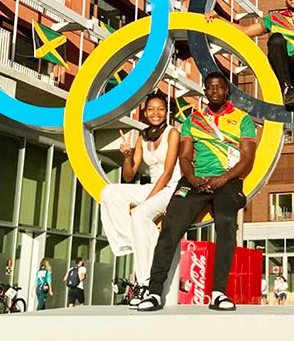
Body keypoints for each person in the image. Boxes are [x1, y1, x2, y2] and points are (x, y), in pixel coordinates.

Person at [137, 72, 256, 312]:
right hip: (195, 180)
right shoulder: (193, 120)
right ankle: (153, 292)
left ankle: (218, 293)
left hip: (228, 181)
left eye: (219, 87)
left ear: (227, 91)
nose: (214, 91)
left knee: (225, 224)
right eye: (210, 87)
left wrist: (222, 179)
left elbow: (247, 159)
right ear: (204, 91)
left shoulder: (243, 120)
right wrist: (192, 178)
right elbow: (184, 156)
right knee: (171, 224)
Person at [100, 92, 182, 307]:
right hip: (152, 186)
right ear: (144, 113)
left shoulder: (173, 133)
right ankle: (134, 241)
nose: (156, 113)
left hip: (171, 187)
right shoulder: (142, 137)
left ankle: (145, 283)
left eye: (160, 109)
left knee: (139, 214)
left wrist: (147, 202)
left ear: (166, 112)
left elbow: (168, 172)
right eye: (151, 109)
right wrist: (127, 156)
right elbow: (129, 175)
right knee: (108, 192)